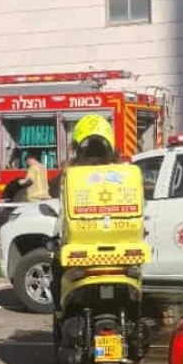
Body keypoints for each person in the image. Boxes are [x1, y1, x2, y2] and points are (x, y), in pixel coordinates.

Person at [50, 114, 120, 312]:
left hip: (78, 248)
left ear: (78, 147)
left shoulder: (71, 173)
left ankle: (60, 313)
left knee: (56, 270)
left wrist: (68, 168)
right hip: (119, 248)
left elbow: (53, 191)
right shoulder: (121, 172)